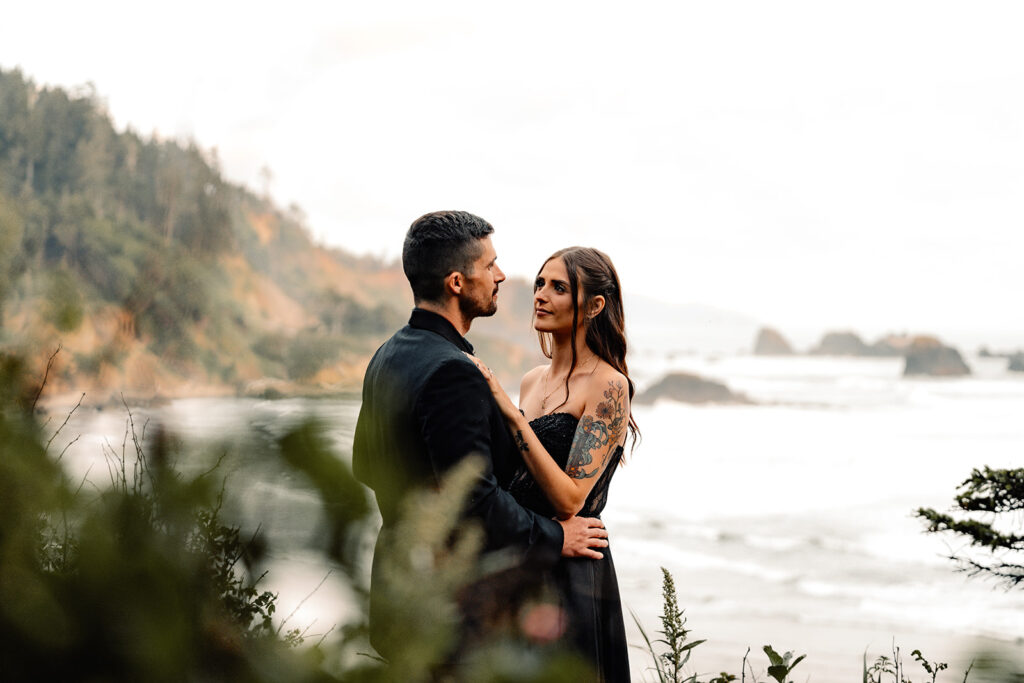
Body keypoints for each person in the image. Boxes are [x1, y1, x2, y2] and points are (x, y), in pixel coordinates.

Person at [352, 211, 609, 662]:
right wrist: (555, 536)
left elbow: (365, 465)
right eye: (490, 265)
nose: (501, 276)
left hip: (396, 587)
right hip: (443, 601)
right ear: (457, 282)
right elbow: (477, 500)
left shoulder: (388, 354)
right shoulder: (453, 372)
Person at [465, 246, 636, 682]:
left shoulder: (608, 385)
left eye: (558, 287)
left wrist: (505, 410)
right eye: (541, 283)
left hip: (572, 572)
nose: (540, 295)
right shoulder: (531, 381)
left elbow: (569, 499)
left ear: (595, 305)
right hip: (525, 556)